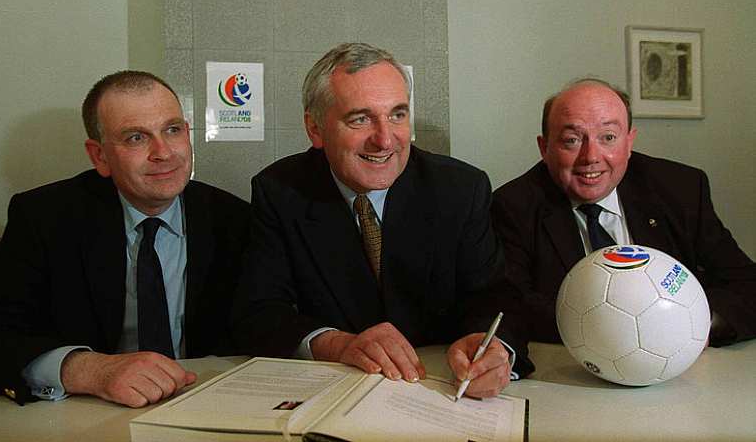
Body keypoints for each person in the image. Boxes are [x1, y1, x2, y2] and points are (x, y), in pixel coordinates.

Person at [231, 42, 533, 398]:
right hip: (332, 395)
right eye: (360, 119)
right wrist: (338, 344)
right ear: (315, 129)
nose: (385, 139)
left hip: (437, 391)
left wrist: (493, 349)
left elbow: (496, 298)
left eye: (397, 115)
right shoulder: (280, 191)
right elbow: (259, 313)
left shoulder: (459, 189)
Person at [0, 71, 250, 407]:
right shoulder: (46, 217)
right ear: (99, 156)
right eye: (136, 138)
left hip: (206, 404)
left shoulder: (234, 219)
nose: (164, 152)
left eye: (172, 130)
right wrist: (88, 369)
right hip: (87, 414)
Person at [491, 78, 756, 346]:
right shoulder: (513, 206)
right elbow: (511, 307)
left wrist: (689, 325)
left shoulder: (680, 188)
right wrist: (623, 330)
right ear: (544, 148)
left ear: (629, 142)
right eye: (571, 140)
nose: (591, 157)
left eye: (608, 137)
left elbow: (745, 283)